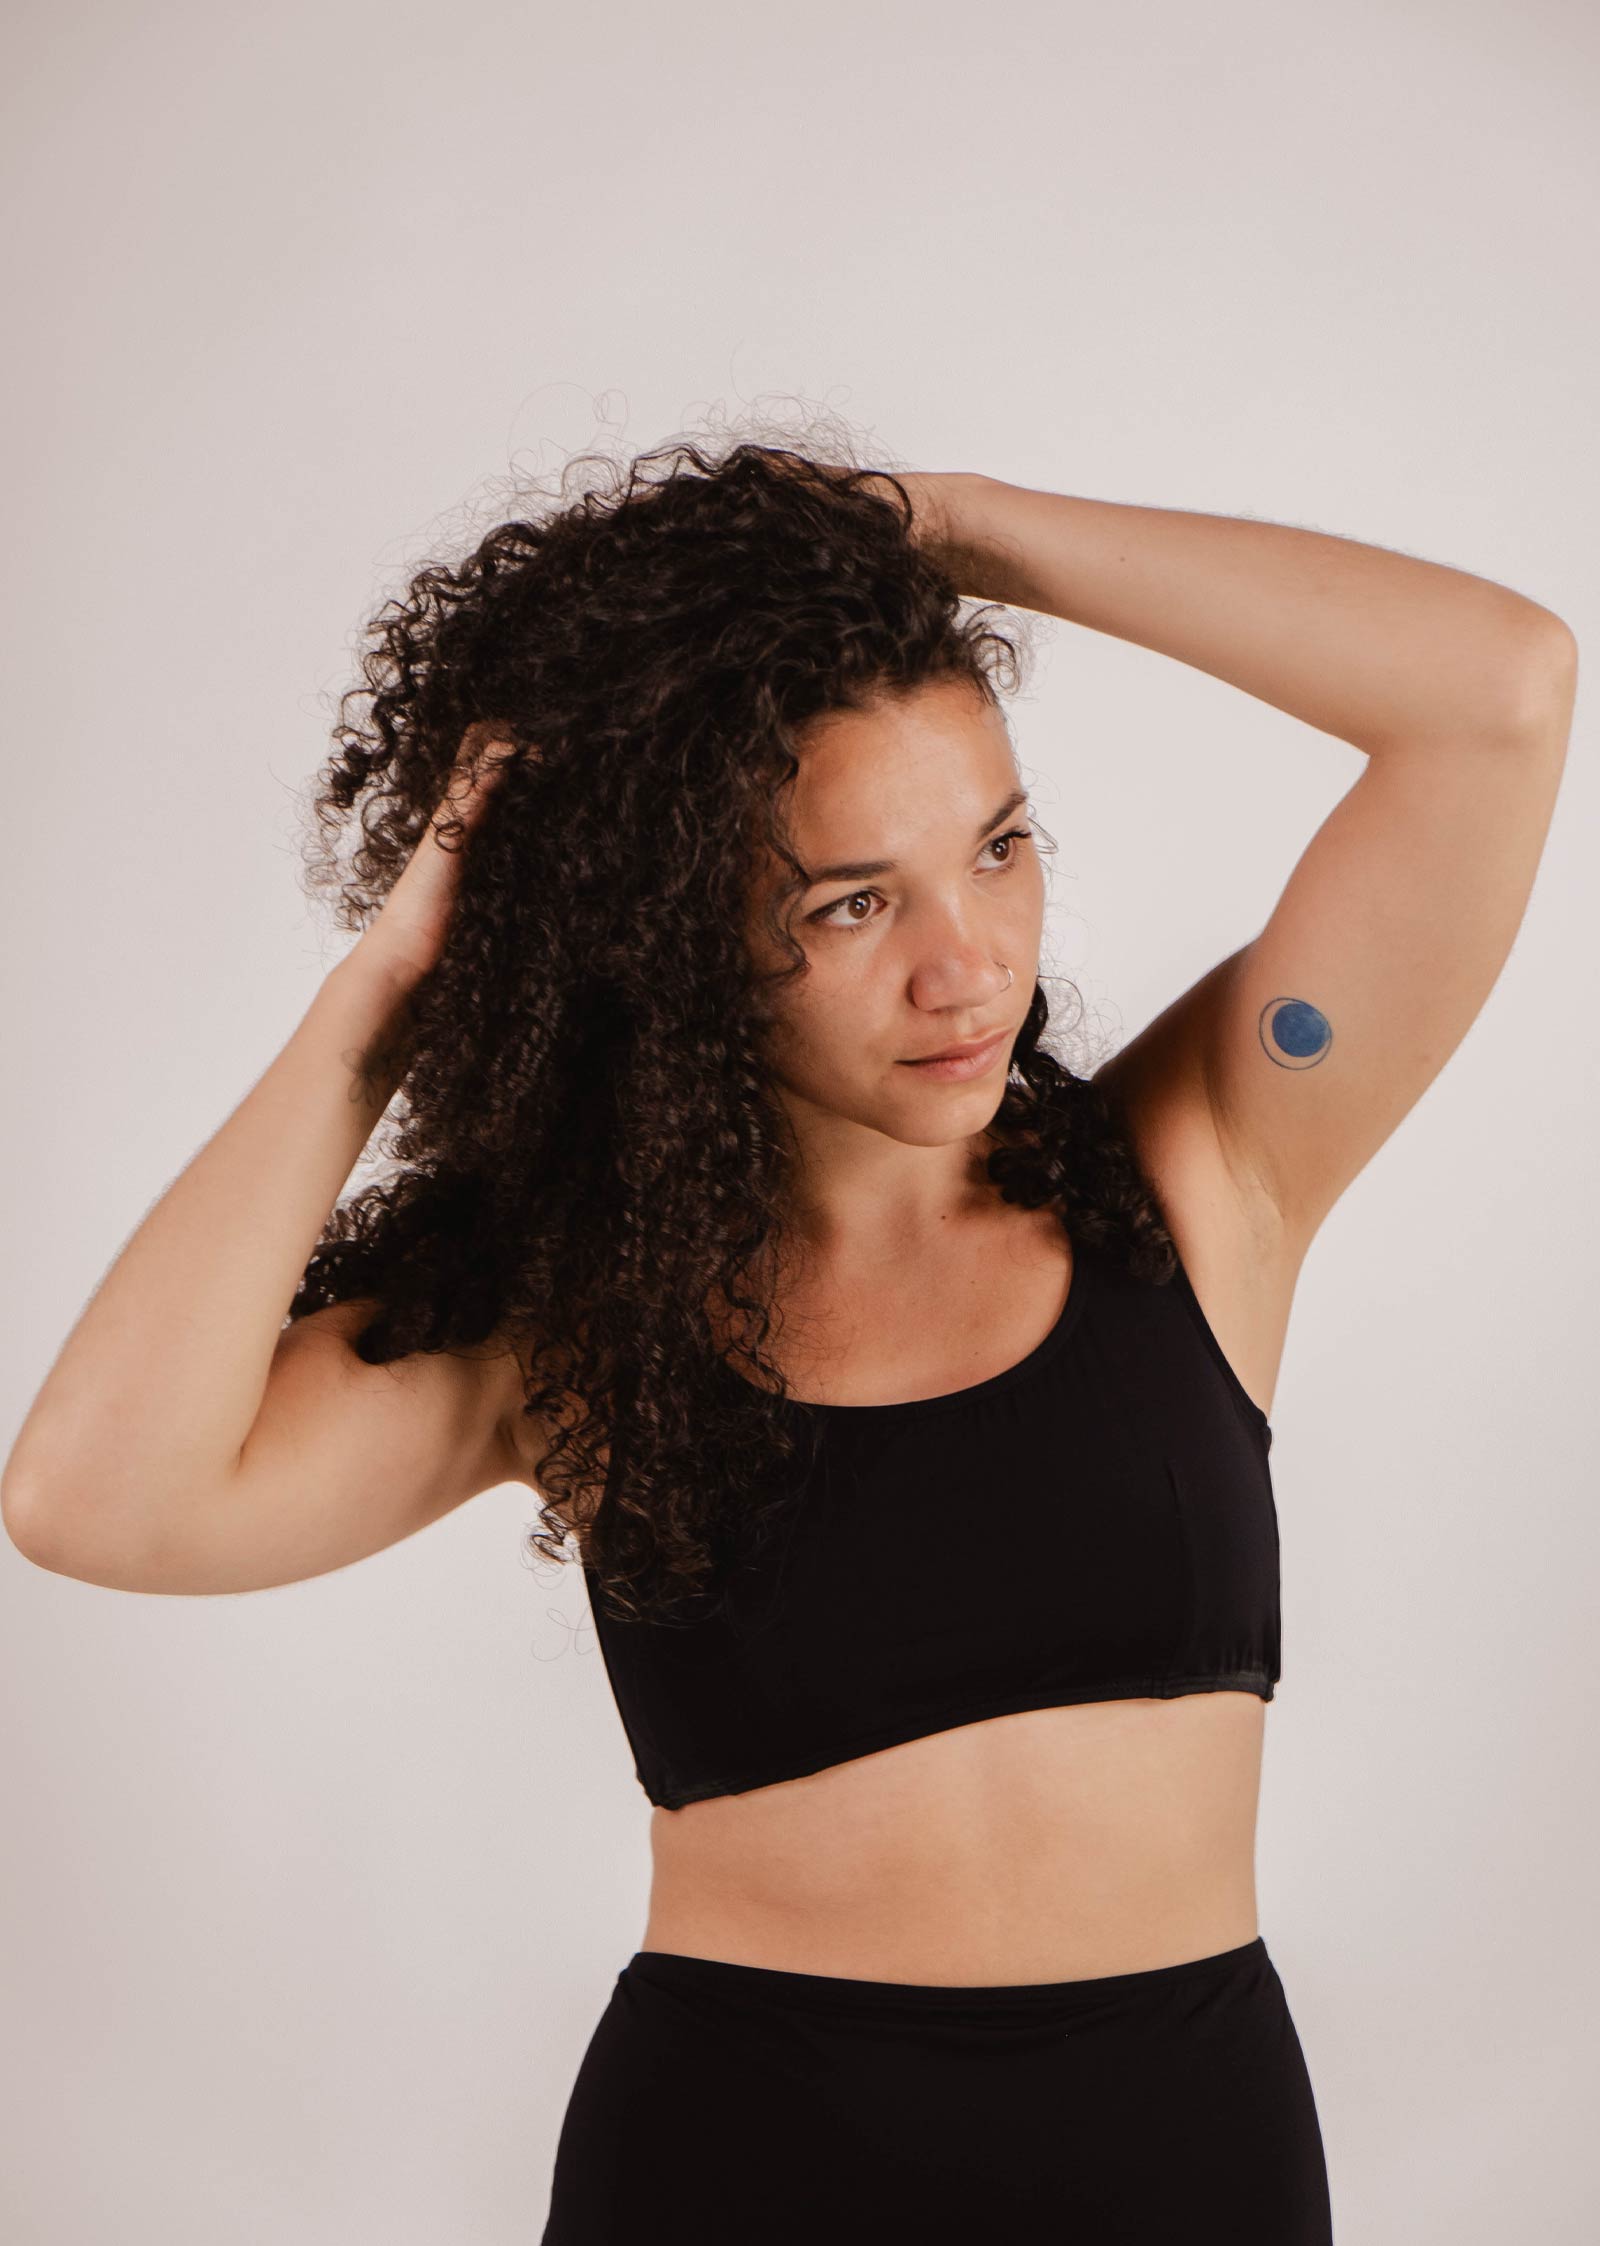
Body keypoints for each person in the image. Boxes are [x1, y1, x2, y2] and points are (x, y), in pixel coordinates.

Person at [3, 418, 1576, 2242]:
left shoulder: (1213, 1158)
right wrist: (387, 996)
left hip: (1190, 2159)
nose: (966, 962)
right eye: (850, 902)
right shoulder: (571, 1325)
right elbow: (91, 1497)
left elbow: (1504, 694)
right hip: (739, 2170)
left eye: (995, 850)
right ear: (676, 945)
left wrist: (936, 533)